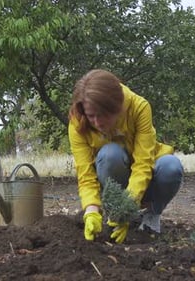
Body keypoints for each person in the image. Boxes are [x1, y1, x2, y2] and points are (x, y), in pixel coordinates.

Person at [68, 69, 184, 244]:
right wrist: (91, 210)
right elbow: (85, 174)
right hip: (111, 181)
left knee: (171, 166)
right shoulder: (78, 123)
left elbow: (143, 165)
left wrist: (127, 208)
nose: (98, 123)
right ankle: (113, 213)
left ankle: (151, 215)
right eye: (91, 116)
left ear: (118, 107)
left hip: (147, 179)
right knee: (110, 154)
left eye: (103, 115)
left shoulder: (139, 107)